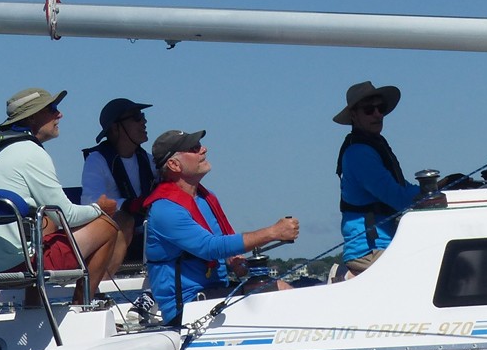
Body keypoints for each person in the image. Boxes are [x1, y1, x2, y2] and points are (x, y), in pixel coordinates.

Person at [0, 86, 129, 302]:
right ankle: (83, 304)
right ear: (33, 117)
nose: (60, 114)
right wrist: (100, 208)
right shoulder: (31, 152)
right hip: (14, 266)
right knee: (106, 225)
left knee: (47, 225)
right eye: (52, 109)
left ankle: (33, 309)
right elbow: (67, 216)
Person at [144, 129, 299, 325]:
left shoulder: (206, 198)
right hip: (186, 308)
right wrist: (273, 232)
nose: (204, 149)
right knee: (281, 289)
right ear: (174, 164)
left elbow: (219, 248)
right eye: (194, 148)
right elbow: (210, 247)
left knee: (306, 284)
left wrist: (233, 261)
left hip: (213, 294)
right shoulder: (165, 210)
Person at [335, 80, 420, 275]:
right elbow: (398, 198)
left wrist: (437, 189)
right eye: (369, 110)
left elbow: (402, 188)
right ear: (354, 115)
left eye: (380, 108)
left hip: (384, 244)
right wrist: (433, 196)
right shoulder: (359, 154)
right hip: (371, 250)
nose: (378, 114)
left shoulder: (373, 146)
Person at [80, 97, 155, 262]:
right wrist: (127, 205)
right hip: (115, 231)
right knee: (125, 220)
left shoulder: (148, 161)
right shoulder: (97, 160)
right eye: (136, 117)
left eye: (142, 116)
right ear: (115, 128)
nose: (144, 121)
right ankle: (105, 280)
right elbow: (89, 201)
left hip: (147, 231)